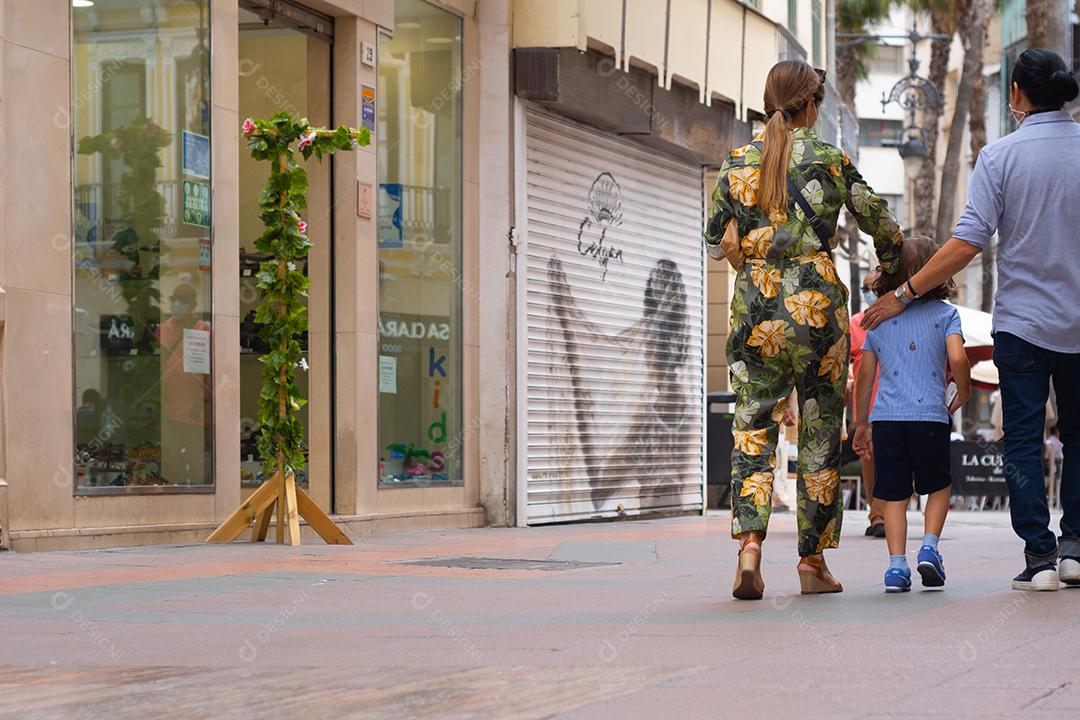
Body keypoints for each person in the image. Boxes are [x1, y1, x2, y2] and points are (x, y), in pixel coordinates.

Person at [862, 48, 1080, 591]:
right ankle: (1076, 547)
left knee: (1024, 441)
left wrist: (906, 293)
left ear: (1017, 95)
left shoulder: (1000, 156)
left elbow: (966, 245)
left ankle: (1041, 558)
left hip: (1021, 326)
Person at [705, 60, 903, 600]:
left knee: (752, 430)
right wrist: (888, 271)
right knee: (818, 436)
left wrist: (746, 247)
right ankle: (811, 563)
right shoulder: (829, 159)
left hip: (754, 308)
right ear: (811, 104)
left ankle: (749, 549)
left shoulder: (738, 160)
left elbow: (715, 234)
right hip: (816, 310)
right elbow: (883, 223)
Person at [853, 236, 971, 593]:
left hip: (887, 419)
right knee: (938, 485)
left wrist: (861, 423)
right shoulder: (947, 314)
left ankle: (896, 567)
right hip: (931, 417)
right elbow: (958, 359)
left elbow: (865, 376)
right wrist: (962, 392)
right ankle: (930, 547)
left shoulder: (878, 319)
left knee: (893, 495)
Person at [850, 267, 886, 537]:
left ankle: (885, 513)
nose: (869, 293)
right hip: (867, 407)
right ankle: (877, 516)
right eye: (865, 288)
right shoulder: (855, 324)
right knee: (871, 462)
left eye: (874, 287)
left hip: (896, 402)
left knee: (894, 461)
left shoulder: (897, 319)